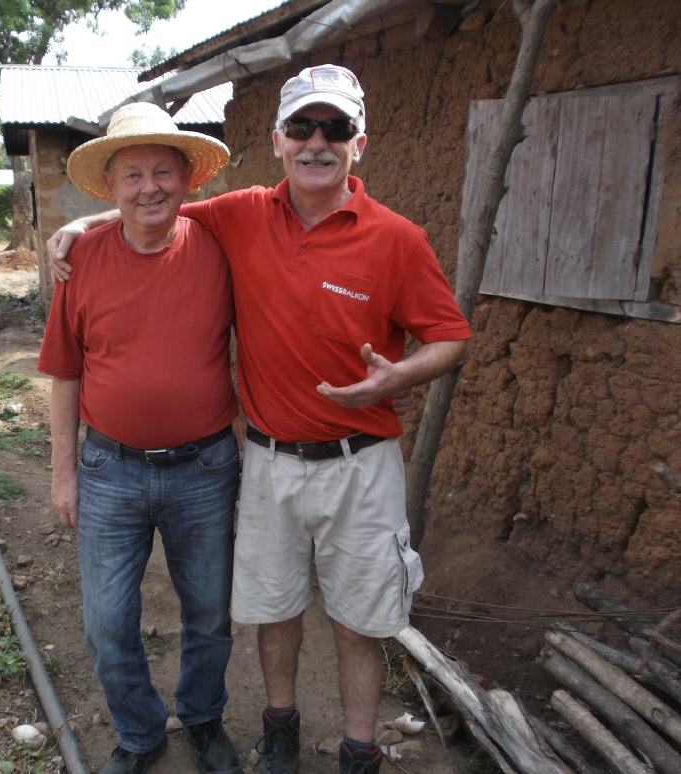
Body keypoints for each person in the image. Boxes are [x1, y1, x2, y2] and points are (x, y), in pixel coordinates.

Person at [49, 65, 472, 774]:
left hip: (345, 461)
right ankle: (246, 730)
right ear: (277, 140)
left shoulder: (394, 238)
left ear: (357, 143)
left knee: (345, 618)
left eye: (334, 128)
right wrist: (75, 224)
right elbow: (148, 212)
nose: (317, 142)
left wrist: (400, 376)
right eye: (303, 127)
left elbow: (452, 338)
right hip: (252, 461)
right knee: (253, 611)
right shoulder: (240, 215)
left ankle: (352, 747)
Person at [37, 102, 242, 774]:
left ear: (187, 179)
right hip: (109, 470)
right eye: (133, 175)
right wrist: (63, 472)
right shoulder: (82, 261)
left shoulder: (220, 242)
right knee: (106, 623)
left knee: (209, 612)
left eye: (162, 171)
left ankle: (204, 717)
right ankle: (140, 732)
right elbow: (65, 373)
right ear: (112, 187)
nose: (149, 186)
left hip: (206, 467)